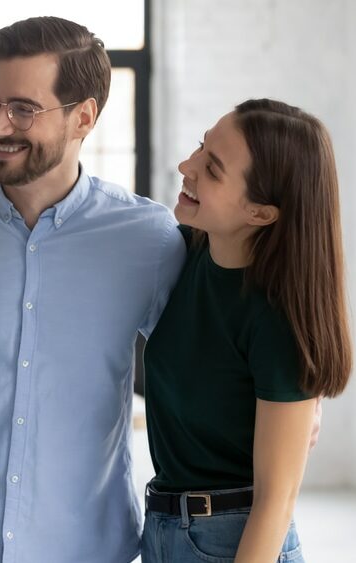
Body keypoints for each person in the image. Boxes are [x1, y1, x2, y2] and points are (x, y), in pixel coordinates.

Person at [0, 17, 185, 562]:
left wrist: (285, 409)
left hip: (86, 547)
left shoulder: (149, 240)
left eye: (24, 108)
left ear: (85, 117)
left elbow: (201, 370)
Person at [141, 99, 351, 562]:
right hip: (163, 530)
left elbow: (277, 501)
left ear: (261, 213)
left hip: (233, 542)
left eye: (212, 169)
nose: (186, 165)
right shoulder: (187, 253)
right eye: (200, 147)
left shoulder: (276, 321)